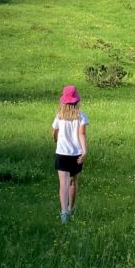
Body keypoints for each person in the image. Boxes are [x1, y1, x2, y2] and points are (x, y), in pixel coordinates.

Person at [52, 84, 88, 222]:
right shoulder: (81, 116)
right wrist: (84, 152)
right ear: (76, 101)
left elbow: (54, 131)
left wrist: (55, 138)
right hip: (76, 154)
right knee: (73, 182)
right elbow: (82, 134)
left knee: (63, 184)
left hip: (62, 153)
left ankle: (64, 213)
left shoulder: (59, 116)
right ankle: (72, 207)